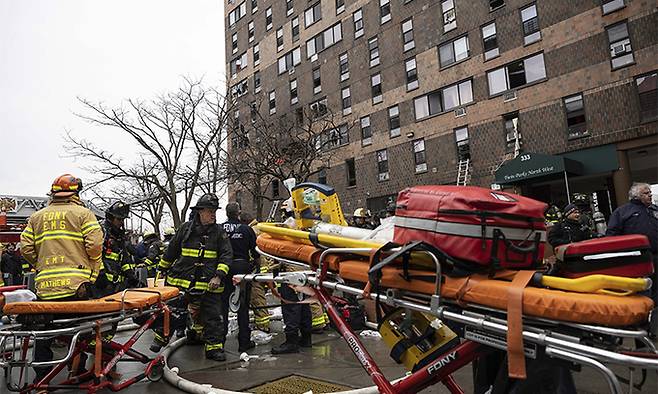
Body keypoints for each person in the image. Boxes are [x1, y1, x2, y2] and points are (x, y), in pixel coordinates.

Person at [20, 174, 103, 383]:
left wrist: (41, 265)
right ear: (77, 192)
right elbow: (94, 246)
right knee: (81, 332)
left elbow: (26, 248)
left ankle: (41, 381)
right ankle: (76, 372)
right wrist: (91, 271)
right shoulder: (84, 214)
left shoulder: (36, 217)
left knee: (43, 335)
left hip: (46, 288)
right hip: (78, 287)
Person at [155, 193, 233, 361]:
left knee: (212, 317)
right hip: (183, 281)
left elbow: (226, 256)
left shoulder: (219, 233)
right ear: (199, 212)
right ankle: (161, 337)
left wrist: (218, 276)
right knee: (173, 312)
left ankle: (213, 349)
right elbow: (172, 251)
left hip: (209, 284)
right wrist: (162, 269)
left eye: (214, 211)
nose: (213, 214)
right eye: (209, 211)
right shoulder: (186, 229)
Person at [607, 183, 658, 300]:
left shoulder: (655, 209)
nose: (650, 195)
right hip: (637, 258)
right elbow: (612, 235)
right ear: (636, 196)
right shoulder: (622, 212)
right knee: (643, 290)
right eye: (646, 193)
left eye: (650, 192)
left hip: (656, 255)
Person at [221, 202, 258, 353]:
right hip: (242, 269)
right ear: (239, 212)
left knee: (222, 306)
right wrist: (257, 266)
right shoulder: (246, 229)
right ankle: (244, 342)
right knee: (243, 306)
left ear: (226, 213)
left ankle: (219, 342)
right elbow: (255, 251)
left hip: (223, 269)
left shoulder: (219, 229)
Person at [95, 201, 138, 297]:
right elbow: (94, 254)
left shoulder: (119, 235)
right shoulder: (101, 231)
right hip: (102, 285)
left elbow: (124, 257)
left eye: (123, 219)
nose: (121, 222)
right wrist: (100, 274)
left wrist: (130, 275)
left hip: (117, 286)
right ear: (110, 218)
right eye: (119, 219)